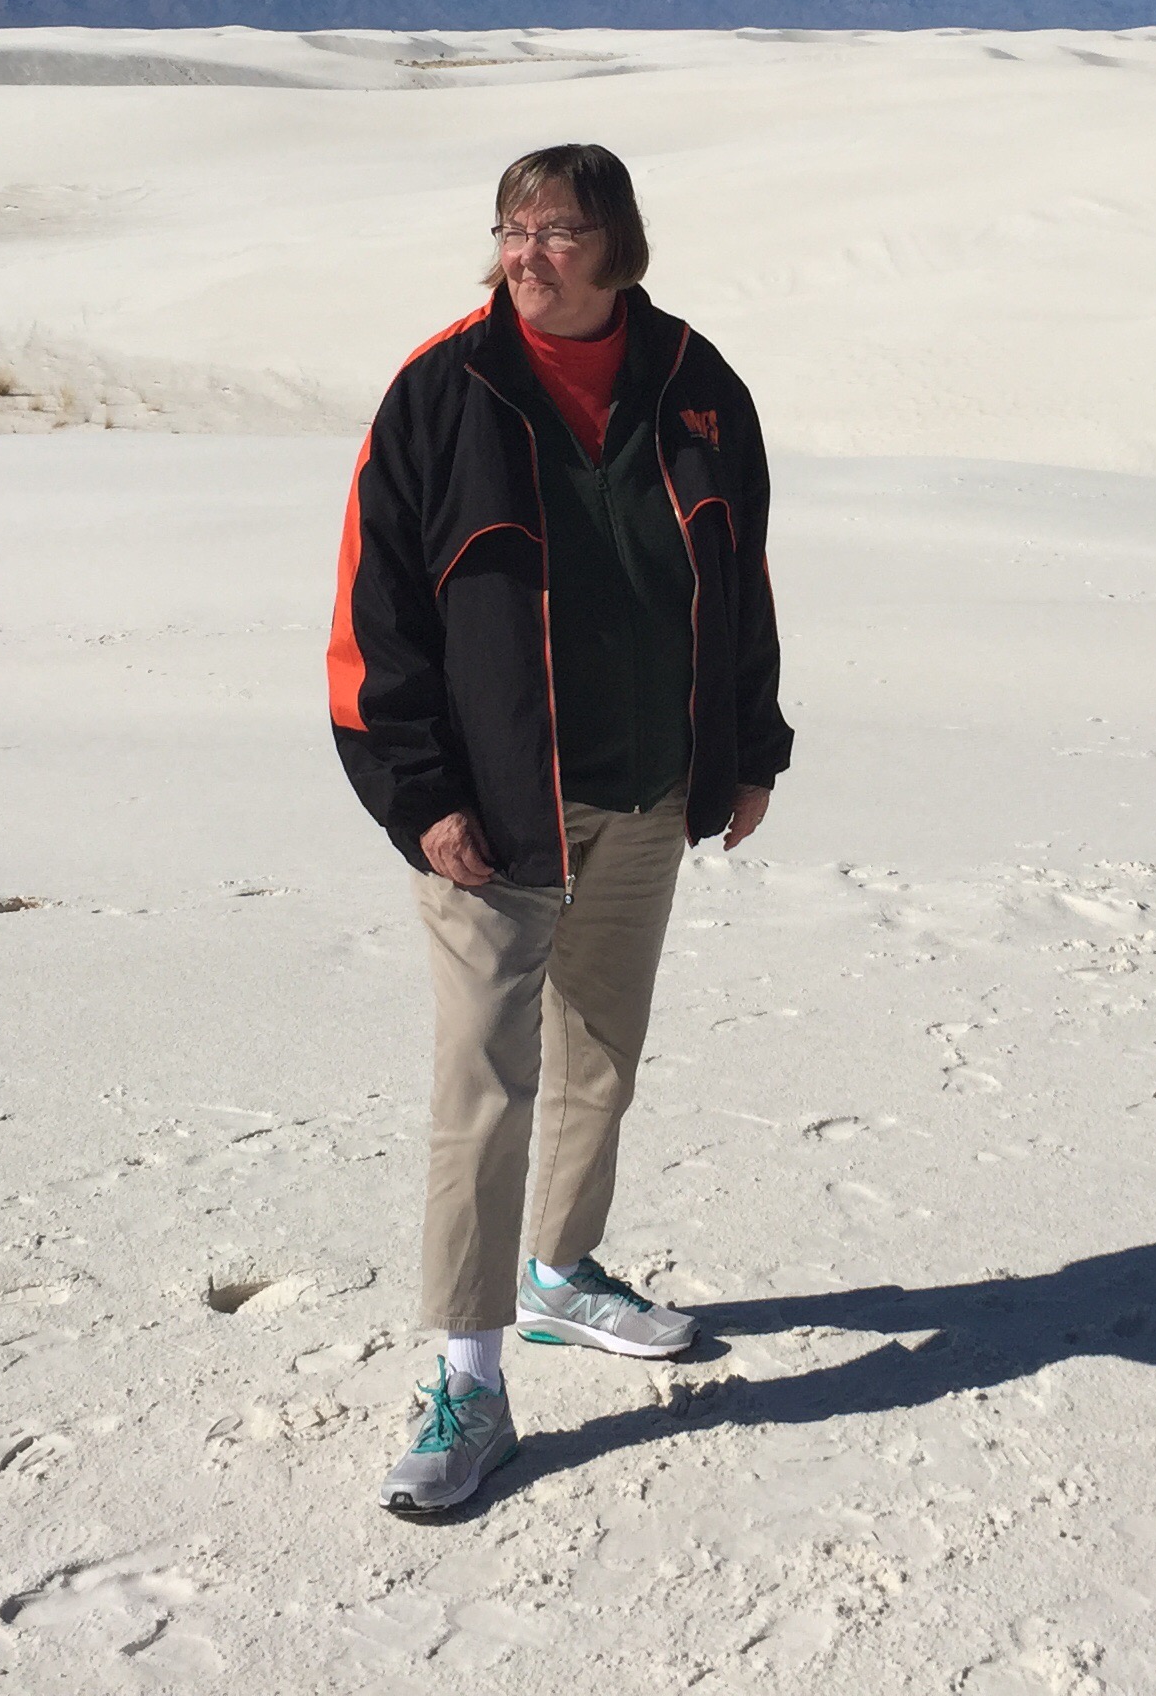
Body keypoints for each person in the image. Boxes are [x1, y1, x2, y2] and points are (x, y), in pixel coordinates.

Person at [327, 142, 793, 1516]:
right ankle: (468, 1378)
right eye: (512, 228)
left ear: (618, 244)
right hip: (492, 812)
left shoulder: (698, 385)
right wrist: (421, 797)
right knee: (484, 1085)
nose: (528, 253)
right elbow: (373, 620)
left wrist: (750, 747)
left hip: (648, 792)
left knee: (601, 1055)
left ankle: (560, 1274)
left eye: (559, 230)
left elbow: (742, 584)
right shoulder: (442, 392)